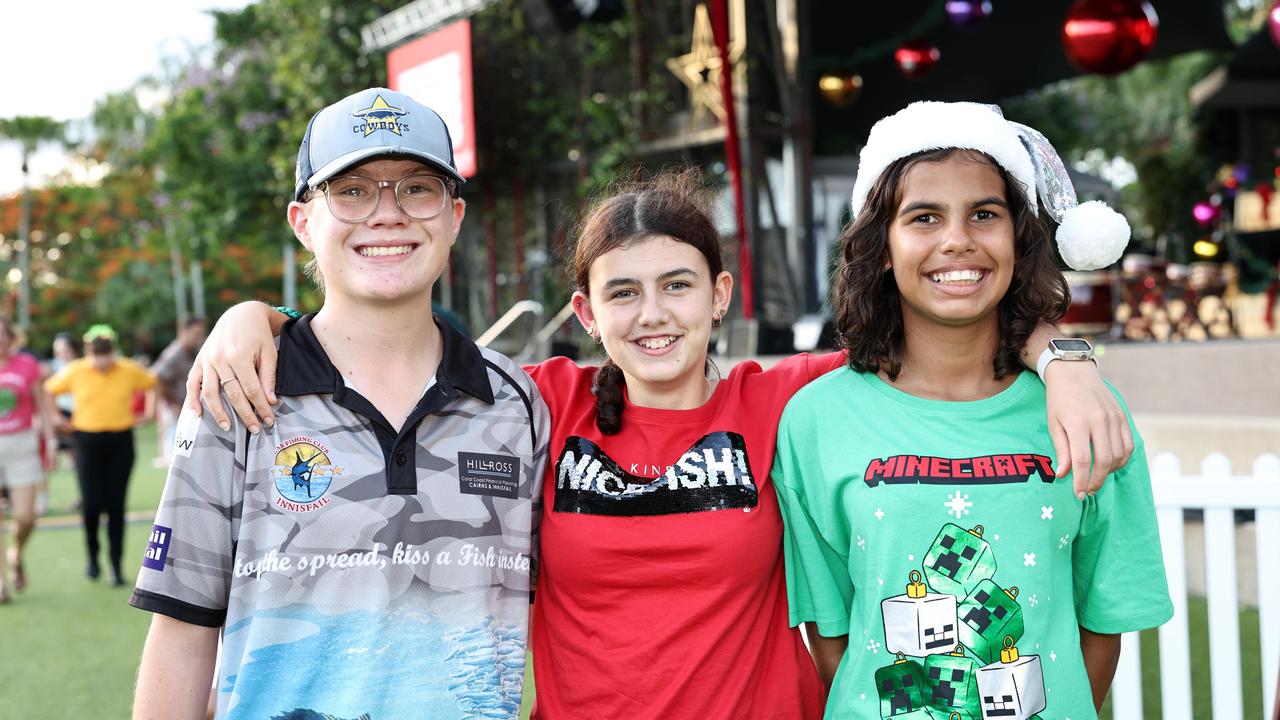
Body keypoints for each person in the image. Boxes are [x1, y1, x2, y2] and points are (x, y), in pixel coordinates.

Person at [188, 164, 1134, 718]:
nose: (654, 316)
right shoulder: (530, 403)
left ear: (720, 296)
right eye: (623, 292)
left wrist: (1066, 349)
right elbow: (377, 335)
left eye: (680, 285)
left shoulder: (790, 403)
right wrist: (257, 316)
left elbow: (945, 316)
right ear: (583, 314)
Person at [129, 87, 549, 720]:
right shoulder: (237, 389)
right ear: (304, 221)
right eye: (352, 190)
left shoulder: (518, 404)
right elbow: (183, 632)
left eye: (417, 188)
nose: (388, 214)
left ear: (454, 217)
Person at [772, 101, 1172, 720]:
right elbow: (832, 634)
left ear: (1018, 239)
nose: (957, 240)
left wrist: (1070, 361)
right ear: (882, 247)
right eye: (924, 217)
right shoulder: (815, 420)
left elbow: (1102, 623)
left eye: (984, 214)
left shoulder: (1088, 410)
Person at [45, 324, 157, 587]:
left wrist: (149, 413)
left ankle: (115, 566)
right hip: (86, 441)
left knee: (116, 506)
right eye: (96, 352)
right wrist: (57, 418)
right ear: (87, 351)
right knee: (92, 504)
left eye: (105, 351)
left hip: (120, 441)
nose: (101, 357)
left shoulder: (128, 369)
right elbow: (49, 390)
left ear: (113, 350)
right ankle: (93, 556)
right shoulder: (76, 371)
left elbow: (153, 383)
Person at [0, 318, 58, 602]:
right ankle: (1, 582)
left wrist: (52, 442)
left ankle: (16, 553)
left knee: (25, 516)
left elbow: (42, 408)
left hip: (21, 444)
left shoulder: (26, 365)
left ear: (11, 337)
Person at [149, 316, 207, 465]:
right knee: (176, 460)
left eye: (201, 334)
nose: (198, 338)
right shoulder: (175, 353)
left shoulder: (192, 351)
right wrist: (173, 403)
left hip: (186, 410)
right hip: (174, 414)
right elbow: (157, 378)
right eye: (195, 334)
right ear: (184, 331)